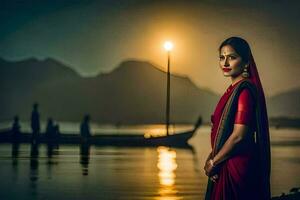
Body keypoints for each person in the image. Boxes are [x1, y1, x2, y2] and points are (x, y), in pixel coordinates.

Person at [204, 37, 271, 200]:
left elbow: (239, 136)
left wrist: (214, 163)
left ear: (246, 62)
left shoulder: (244, 92)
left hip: (237, 167)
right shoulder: (232, 90)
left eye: (232, 57)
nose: (225, 63)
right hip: (225, 161)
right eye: (222, 57)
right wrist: (212, 158)